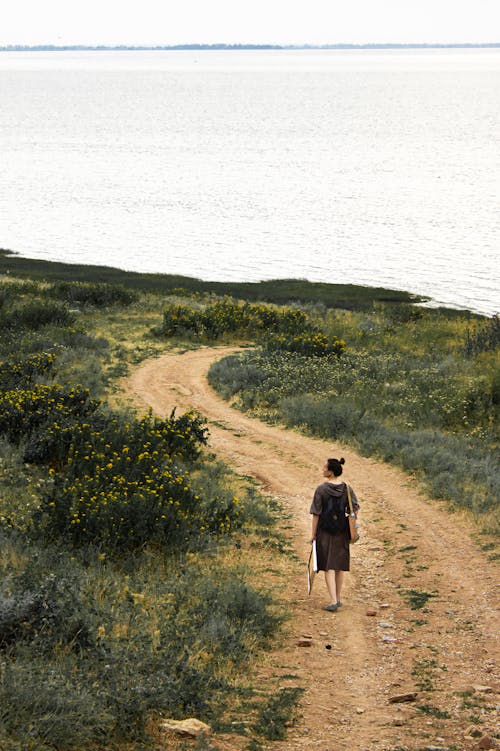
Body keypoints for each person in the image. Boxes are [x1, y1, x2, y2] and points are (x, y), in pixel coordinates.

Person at [309, 457, 360, 612]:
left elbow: (316, 514)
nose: (322, 469)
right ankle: (338, 598)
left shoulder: (321, 489)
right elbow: (355, 508)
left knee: (328, 567)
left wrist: (313, 535)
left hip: (325, 531)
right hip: (342, 531)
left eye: (324, 467)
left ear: (330, 472)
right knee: (339, 566)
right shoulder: (347, 488)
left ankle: (332, 601)